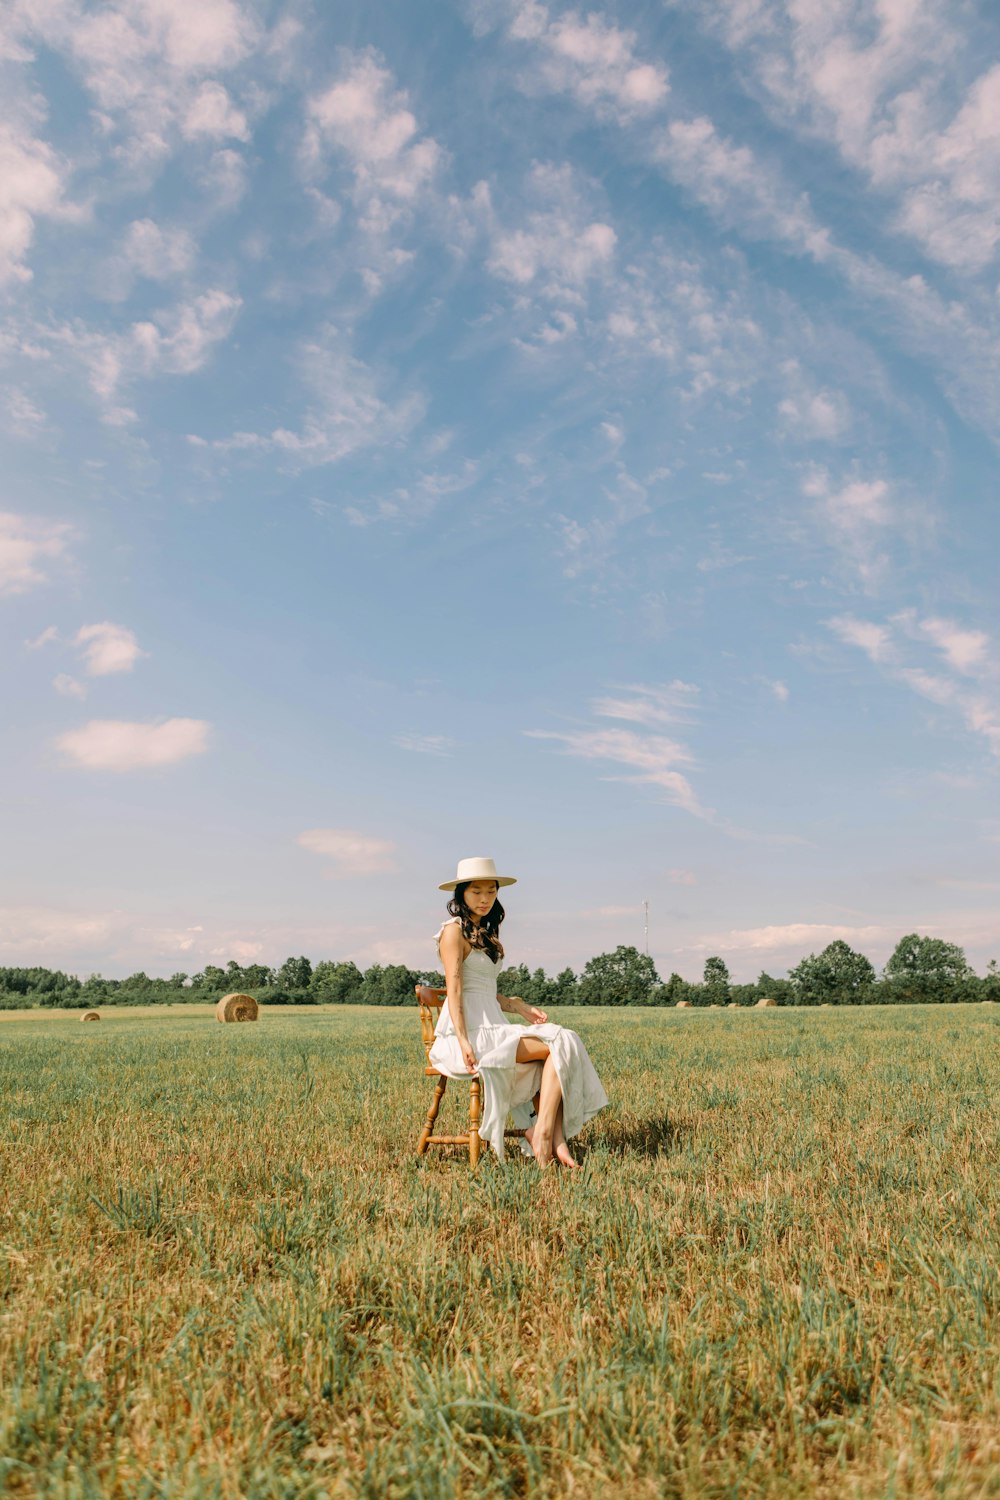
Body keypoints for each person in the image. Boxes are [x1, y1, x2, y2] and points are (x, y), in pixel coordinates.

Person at [428, 856, 608, 1168]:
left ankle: (546, 1132)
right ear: (460, 894)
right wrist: (463, 1040)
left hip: (492, 1028)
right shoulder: (452, 932)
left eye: (491, 891)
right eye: (476, 892)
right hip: (469, 1034)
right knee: (559, 1043)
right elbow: (455, 992)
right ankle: (548, 1135)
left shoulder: (481, 932)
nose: (485, 899)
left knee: (561, 1042)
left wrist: (518, 1006)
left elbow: (483, 990)